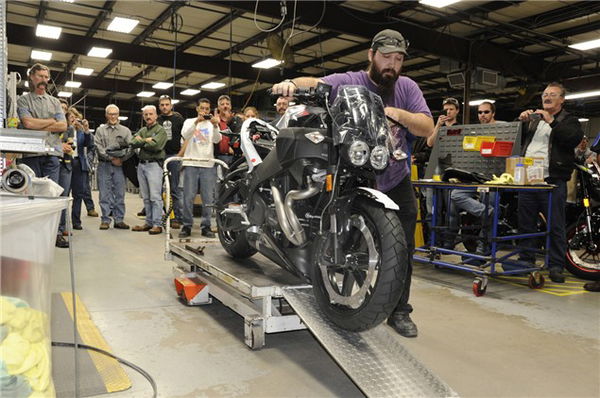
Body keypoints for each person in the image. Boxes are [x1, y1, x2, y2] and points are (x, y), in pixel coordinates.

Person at [273, 29, 434, 338]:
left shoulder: (407, 88)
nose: (392, 64)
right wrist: (292, 84)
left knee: (403, 248)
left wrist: (398, 114)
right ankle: (336, 292)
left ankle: (399, 310)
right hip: (353, 174)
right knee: (335, 231)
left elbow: (426, 126)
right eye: (386, 57)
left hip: (394, 176)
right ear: (371, 55)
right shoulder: (350, 81)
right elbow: (317, 83)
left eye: (398, 59)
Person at [517, 82, 584, 283]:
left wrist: (552, 121)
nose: (546, 97)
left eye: (552, 94)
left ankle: (556, 265)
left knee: (556, 225)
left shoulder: (569, 120)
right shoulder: (534, 121)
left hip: (552, 181)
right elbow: (518, 141)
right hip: (528, 180)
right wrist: (521, 122)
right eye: (545, 94)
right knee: (525, 224)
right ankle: (525, 261)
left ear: (562, 100)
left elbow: (572, 139)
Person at [17, 63, 69, 247]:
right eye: (40, 76)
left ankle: (53, 235)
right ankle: (33, 235)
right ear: (31, 76)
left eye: (46, 77)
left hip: (52, 153)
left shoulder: (55, 102)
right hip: (31, 154)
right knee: (31, 194)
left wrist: (39, 122)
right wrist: (50, 121)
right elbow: (27, 124)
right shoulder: (23, 100)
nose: (44, 81)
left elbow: (63, 126)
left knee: (51, 195)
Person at [177, 98, 222, 239]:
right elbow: (185, 134)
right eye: (202, 108)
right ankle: (187, 225)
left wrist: (215, 125)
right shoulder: (189, 121)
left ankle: (206, 226)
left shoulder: (212, 124)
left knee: (208, 198)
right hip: (191, 162)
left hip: (207, 164)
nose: (204, 111)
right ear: (197, 109)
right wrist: (197, 121)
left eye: (207, 109)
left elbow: (217, 140)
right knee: (188, 197)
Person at [95, 104, 132, 230]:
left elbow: (130, 148)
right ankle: (105, 220)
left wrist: (121, 159)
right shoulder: (100, 131)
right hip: (104, 165)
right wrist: (111, 158)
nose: (113, 116)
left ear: (118, 114)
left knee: (120, 193)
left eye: (115, 114)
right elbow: (98, 147)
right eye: (110, 114)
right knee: (104, 194)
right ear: (106, 115)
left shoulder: (125, 131)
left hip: (120, 166)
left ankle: (119, 220)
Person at [131, 105, 167, 235]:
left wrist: (142, 141)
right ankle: (149, 222)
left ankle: (157, 224)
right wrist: (147, 140)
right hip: (142, 165)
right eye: (146, 114)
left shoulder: (161, 131)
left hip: (154, 165)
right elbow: (132, 142)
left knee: (155, 196)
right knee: (146, 197)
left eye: (151, 114)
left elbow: (156, 146)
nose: (148, 117)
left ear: (156, 115)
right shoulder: (142, 130)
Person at [157, 95, 185, 229]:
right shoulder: (156, 120)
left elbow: (186, 137)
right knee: (158, 188)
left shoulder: (179, 119)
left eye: (166, 104)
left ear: (171, 105)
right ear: (159, 106)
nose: (164, 107)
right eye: (162, 105)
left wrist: (180, 155)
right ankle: (163, 214)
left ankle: (177, 218)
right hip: (160, 156)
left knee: (174, 189)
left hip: (174, 156)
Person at [68, 107, 95, 230]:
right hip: (65, 163)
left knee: (78, 194)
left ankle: (76, 221)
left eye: (75, 117)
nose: (73, 120)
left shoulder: (80, 132)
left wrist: (86, 130)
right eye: (71, 117)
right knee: (63, 194)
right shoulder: (62, 129)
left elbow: (89, 144)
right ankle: (61, 224)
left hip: (78, 163)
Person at [214, 95, 242, 165]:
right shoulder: (214, 120)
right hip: (216, 156)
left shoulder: (237, 120)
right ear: (218, 107)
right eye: (222, 104)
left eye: (227, 104)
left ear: (230, 106)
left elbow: (239, 136)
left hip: (233, 156)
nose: (225, 106)